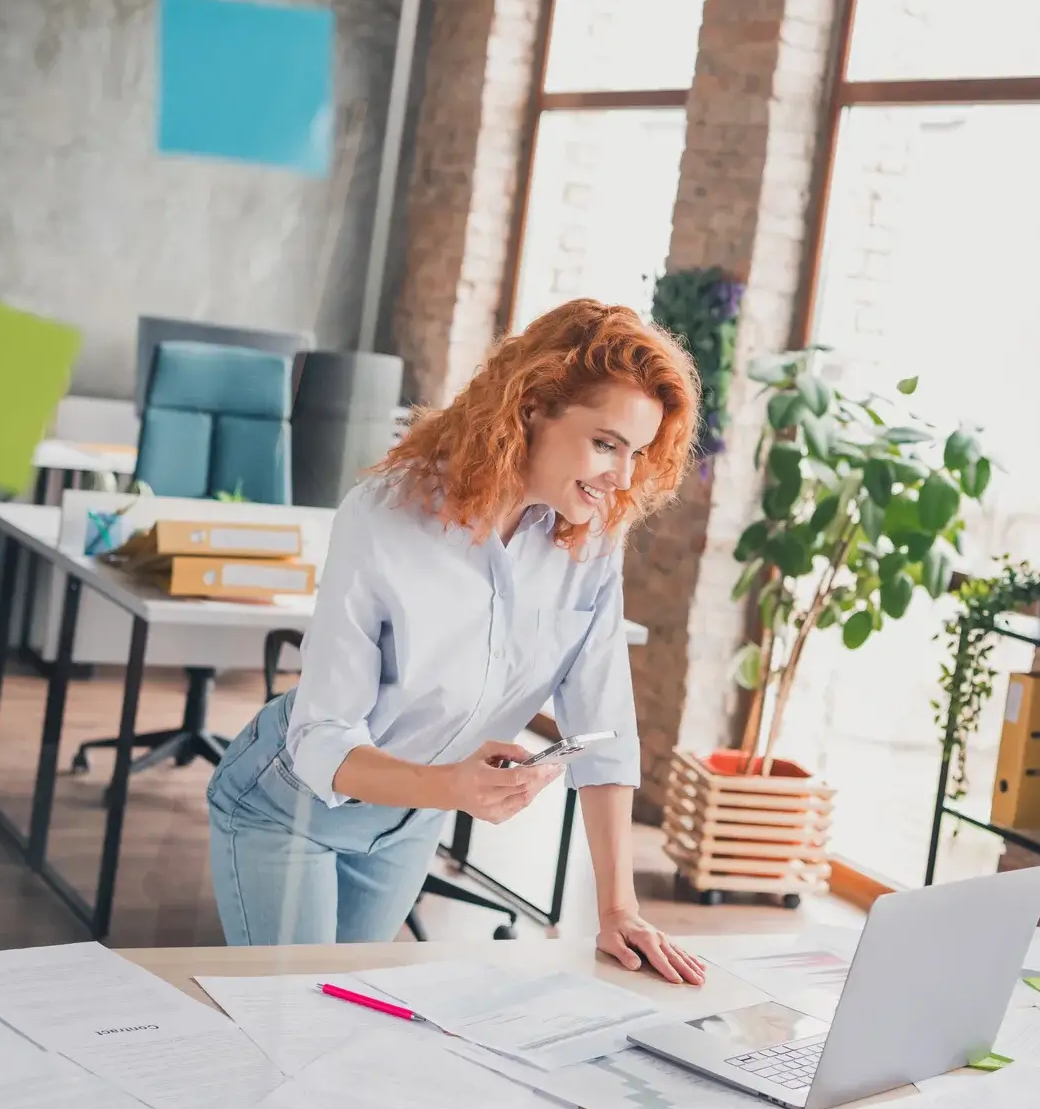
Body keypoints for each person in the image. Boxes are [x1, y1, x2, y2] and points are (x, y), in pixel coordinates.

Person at [207, 299, 708, 984]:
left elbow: (605, 728)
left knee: (343, 1019)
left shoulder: (589, 540)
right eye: (605, 443)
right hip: (290, 804)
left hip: (411, 820)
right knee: (290, 1020)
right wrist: (448, 786)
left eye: (637, 453)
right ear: (532, 406)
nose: (622, 477)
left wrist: (619, 908)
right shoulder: (388, 515)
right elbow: (319, 736)